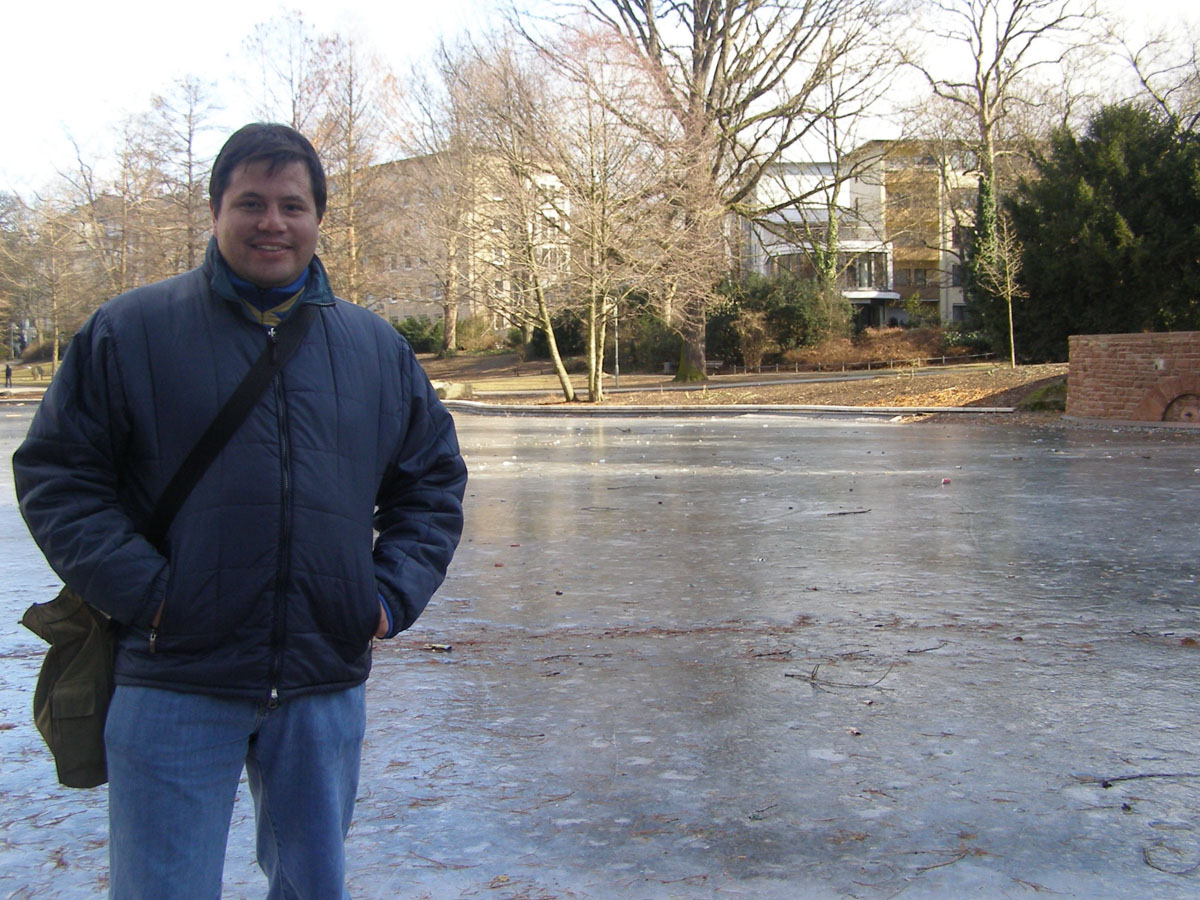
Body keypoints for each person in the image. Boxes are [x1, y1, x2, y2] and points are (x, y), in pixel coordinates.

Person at [13, 123, 467, 898]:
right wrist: (152, 597)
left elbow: (432, 481)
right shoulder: (129, 332)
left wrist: (385, 597)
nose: (271, 222)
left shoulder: (374, 349)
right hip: (174, 674)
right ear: (215, 211)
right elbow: (59, 476)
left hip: (321, 680)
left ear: (318, 217)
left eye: (292, 205)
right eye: (250, 203)